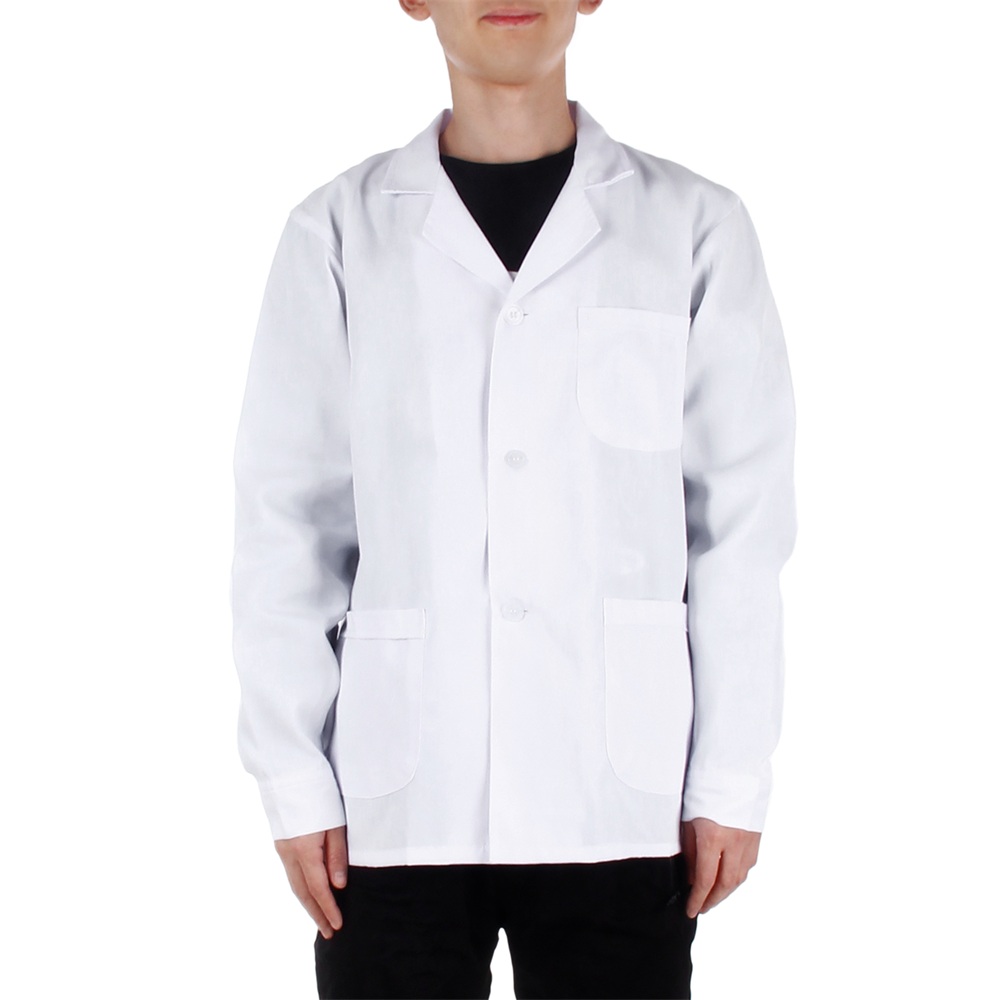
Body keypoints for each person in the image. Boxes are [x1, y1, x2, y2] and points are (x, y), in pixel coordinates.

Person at [230, 1, 797, 997]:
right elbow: (289, 519)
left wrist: (731, 775)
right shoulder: (338, 232)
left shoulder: (692, 226)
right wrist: (292, 774)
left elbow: (739, 528)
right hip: (397, 798)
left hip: (620, 794)